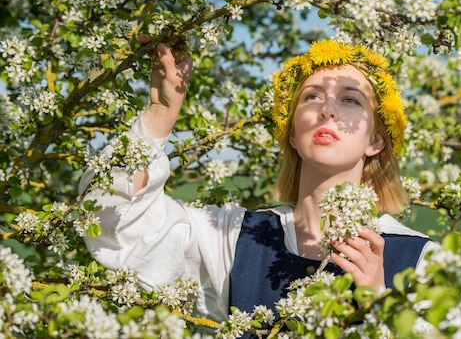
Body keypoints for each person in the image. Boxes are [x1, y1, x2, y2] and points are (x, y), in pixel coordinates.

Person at [79, 36, 435, 327]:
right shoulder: (236, 238)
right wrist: (159, 114)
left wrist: (379, 306)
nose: (327, 109)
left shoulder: (419, 259)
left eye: (350, 99)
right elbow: (115, 222)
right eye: (311, 97)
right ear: (292, 133)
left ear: (377, 139)